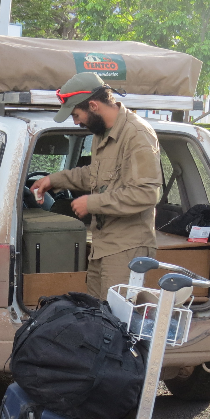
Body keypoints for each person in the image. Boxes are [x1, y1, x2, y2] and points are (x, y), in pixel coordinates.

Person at [31, 72, 163, 300]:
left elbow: (147, 193)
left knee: (116, 323)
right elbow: (95, 174)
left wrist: (92, 203)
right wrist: (54, 180)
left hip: (126, 249)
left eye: (76, 114)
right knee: (96, 317)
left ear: (93, 105)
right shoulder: (102, 133)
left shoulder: (137, 135)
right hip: (103, 246)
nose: (76, 122)